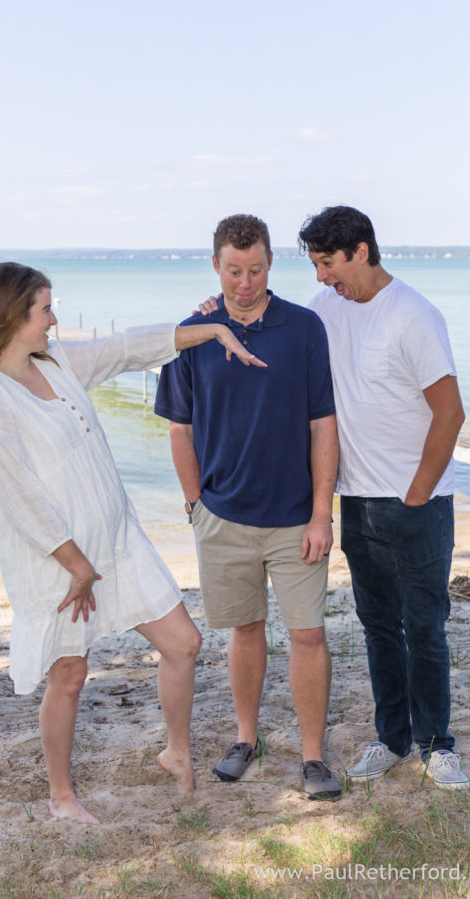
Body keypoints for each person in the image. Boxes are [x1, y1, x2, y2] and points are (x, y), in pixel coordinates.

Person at [0, 261, 265, 824]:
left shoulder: (56, 361)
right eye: (45, 309)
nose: (54, 320)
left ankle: (175, 750)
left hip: (118, 542)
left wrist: (213, 328)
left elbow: (128, 348)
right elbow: (18, 492)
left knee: (183, 643)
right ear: (10, 316)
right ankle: (61, 796)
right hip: (58, 562)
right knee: (70, 675)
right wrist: (76, 565)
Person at [154, 214, 341, 800]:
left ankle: (313, 756)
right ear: (216, 265)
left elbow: (323, 424)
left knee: (308, 635)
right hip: (222, 517)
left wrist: (320, 513)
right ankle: (246, 737)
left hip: (294, 519)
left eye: (255, 269)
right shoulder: (191, 333)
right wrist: (195, 507)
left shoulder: (304, 328)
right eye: (233, 271)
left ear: (269, 264)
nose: (244, 282)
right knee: (245, 629)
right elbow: (179, 429)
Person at [298, 205, 469, 790]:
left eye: (328, 264)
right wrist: (214, 314)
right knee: (376, 627)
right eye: (317, 265)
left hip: (417, 506)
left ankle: (437, 744)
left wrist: (418, 493)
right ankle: (393, 738)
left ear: (361, 251)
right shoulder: (325, 311)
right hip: (355, 502)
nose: (322, 277)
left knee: (425, 627)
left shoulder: (414, 315)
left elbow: (450, 413)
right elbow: (270, 325)